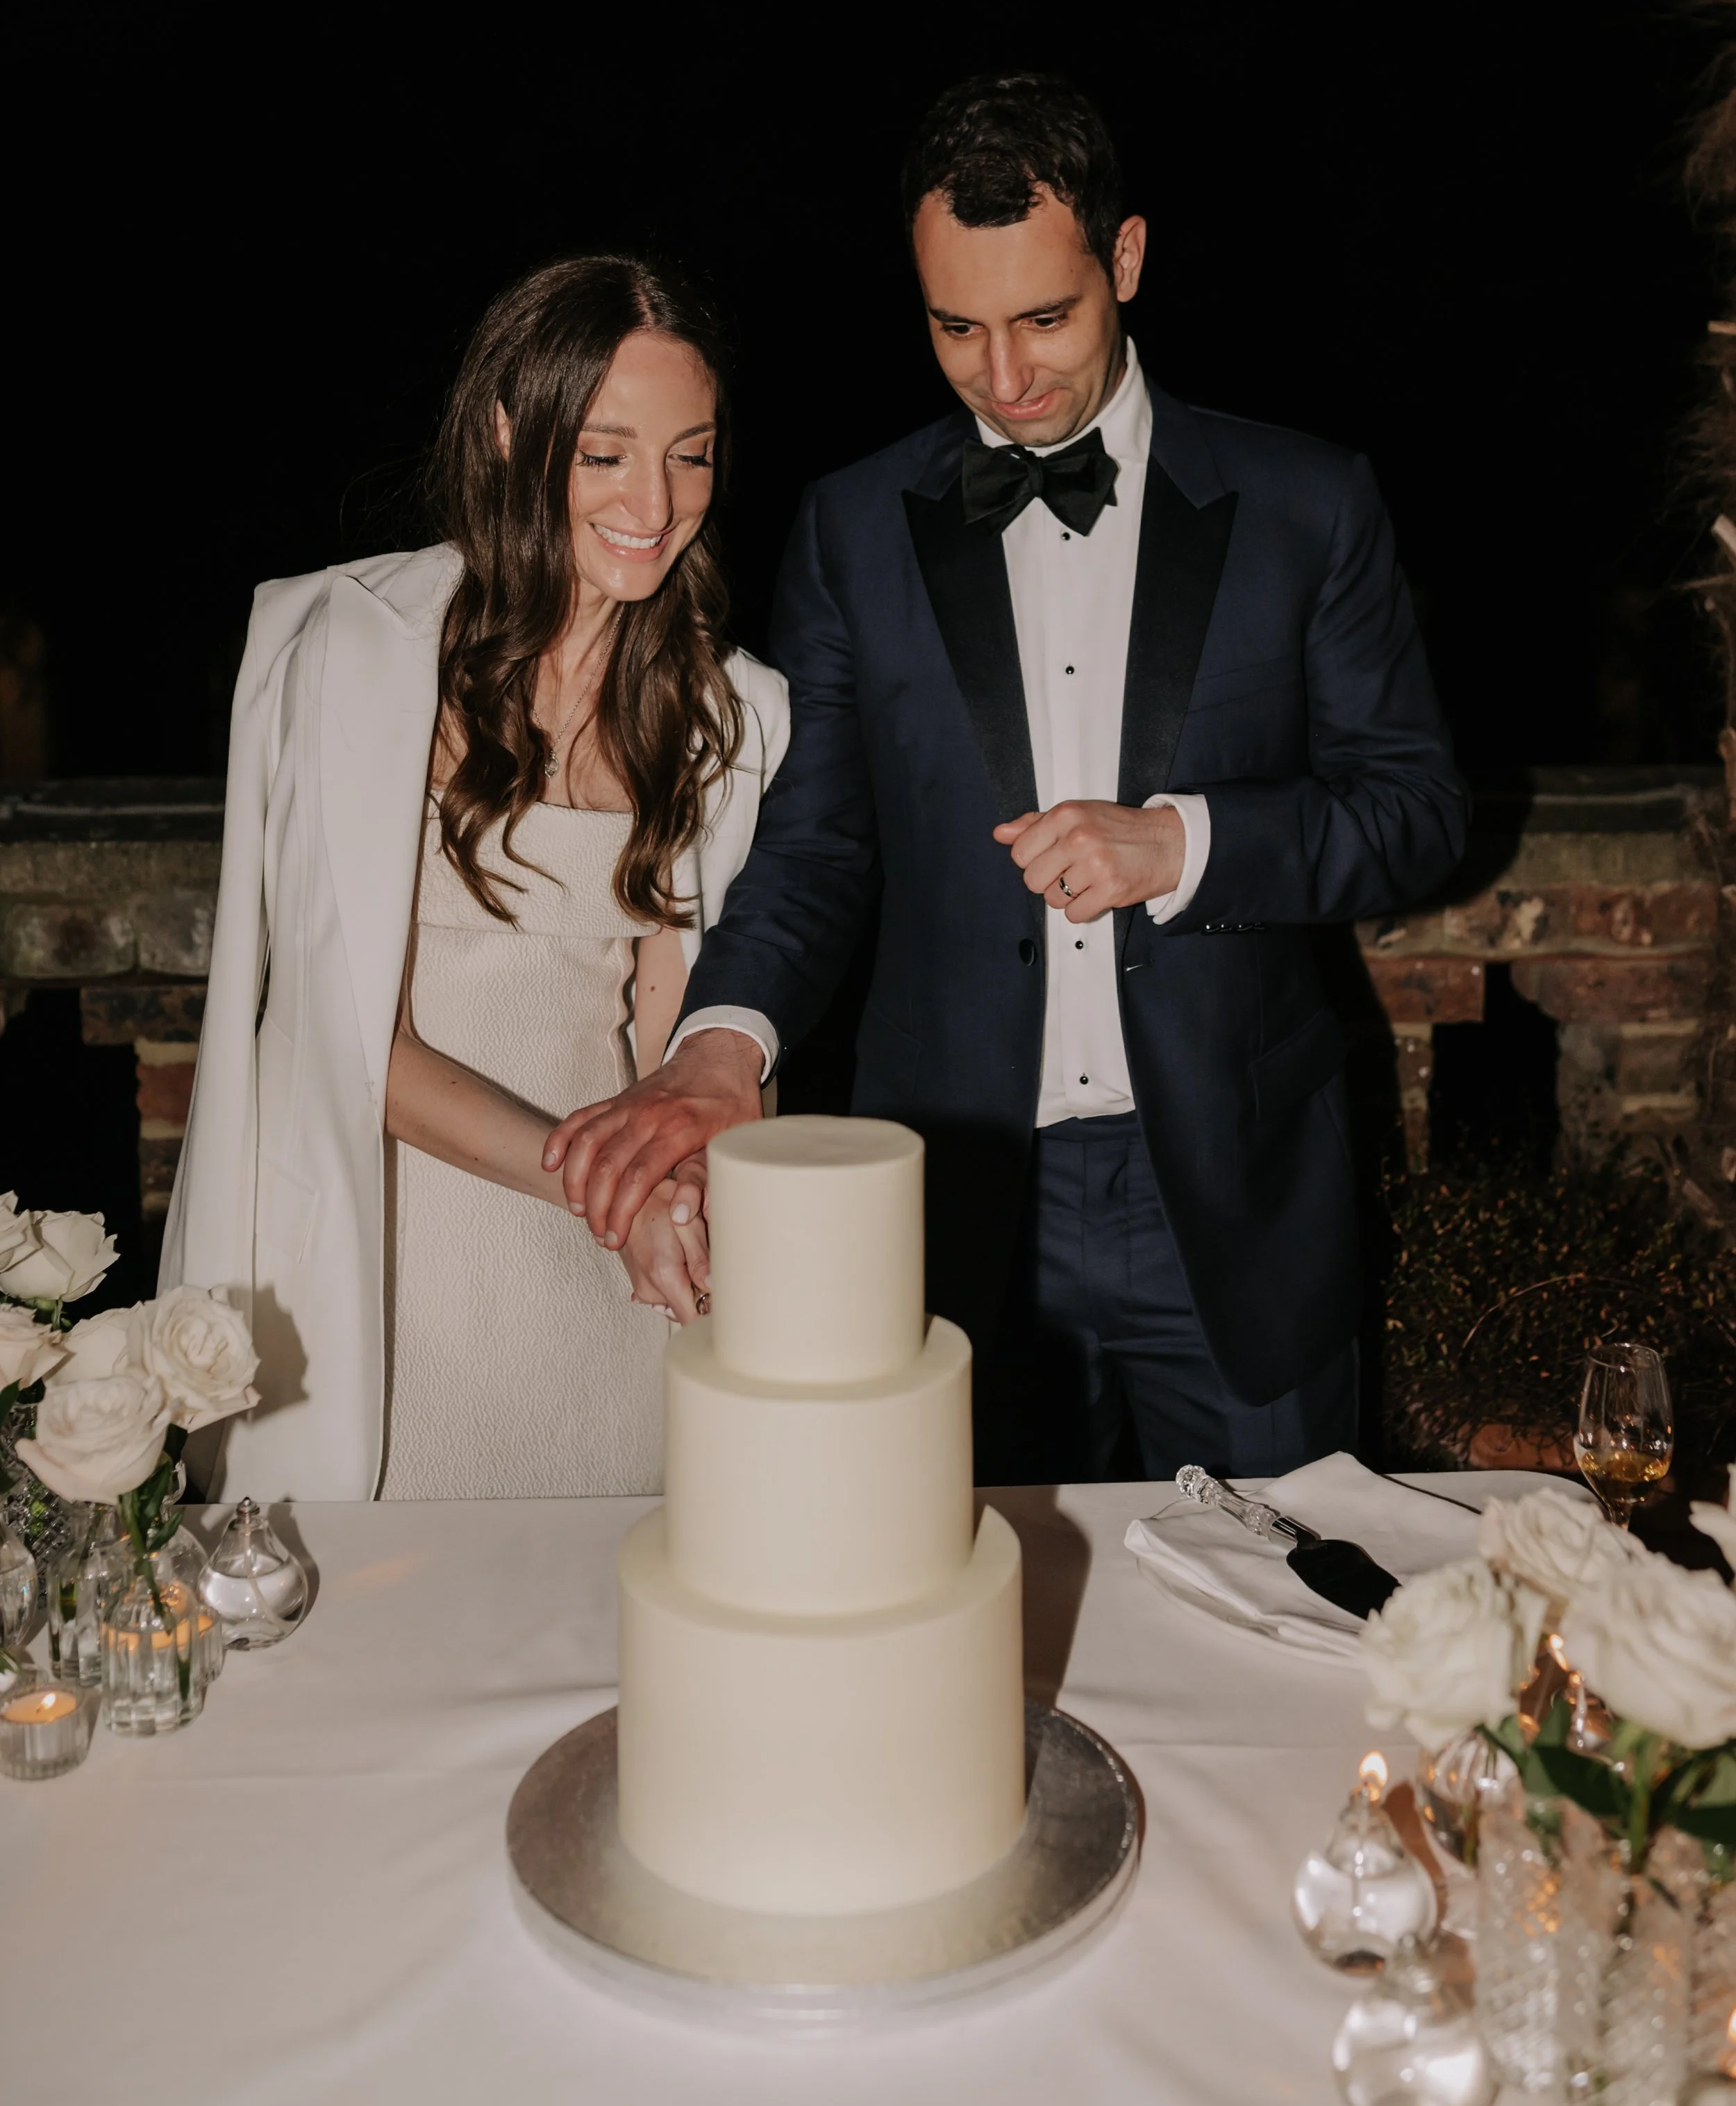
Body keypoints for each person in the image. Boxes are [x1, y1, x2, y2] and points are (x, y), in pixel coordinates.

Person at [544, 75, 1467, 1482]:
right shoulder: (854, 527)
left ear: (1128, 261)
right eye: (955, 328)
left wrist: (1185, 844)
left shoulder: (1305, 503)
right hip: (953, 1203)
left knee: (1274, 1626)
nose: (1005, 377)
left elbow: (1414, 814)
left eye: (1045, 317)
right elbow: (818, 843)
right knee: (985, 1649)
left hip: (1226, 1201)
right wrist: (720, 1046)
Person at [161, 255, 787, 1499]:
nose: (654, 502)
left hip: (609, 1281)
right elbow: (348, 1041)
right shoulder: (354, 654)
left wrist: (682, 1187)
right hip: (390, 1273)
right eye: (605, 453)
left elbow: (678, 1043)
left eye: (692, 452)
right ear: (510, 431)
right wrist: (600, 1173)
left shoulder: (727, 712)